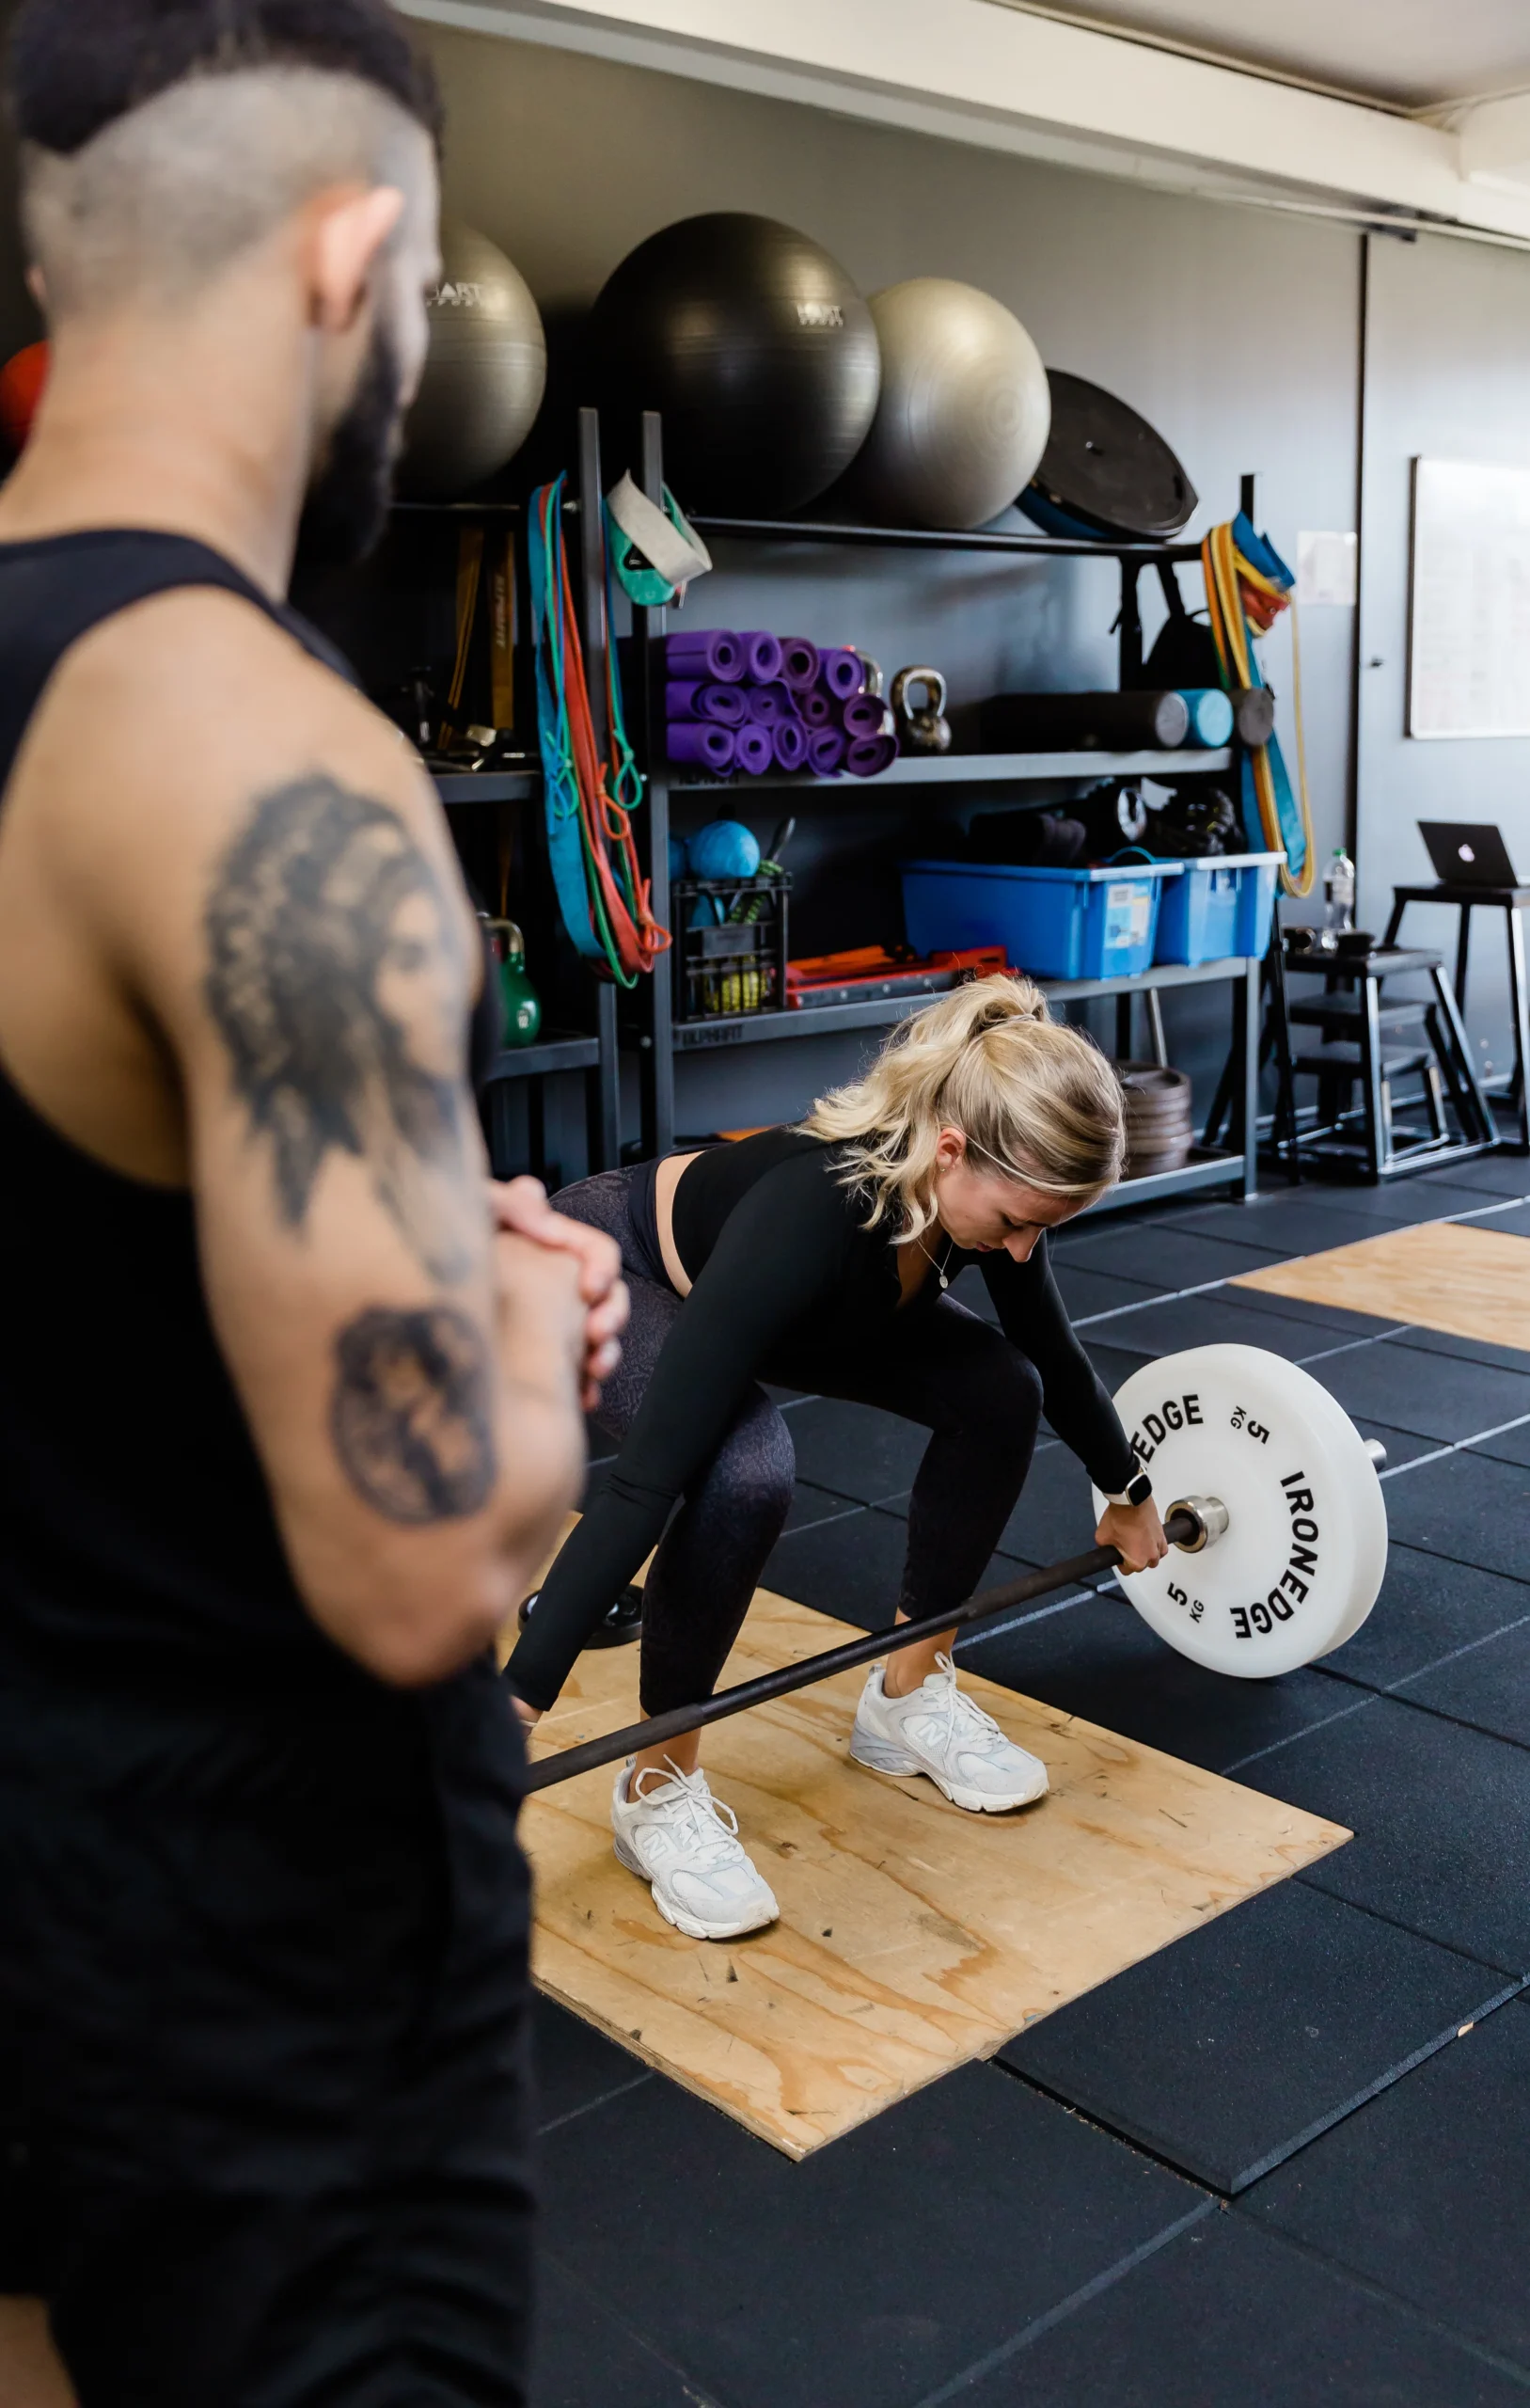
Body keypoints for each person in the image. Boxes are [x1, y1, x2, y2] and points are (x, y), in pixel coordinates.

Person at [0, 2, 626, 2402]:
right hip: (254, 1967)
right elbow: (429, 1550)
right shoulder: (267, 755)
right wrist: (524, 1334)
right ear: (354, 255)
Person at [509, 975, 1170, 1941]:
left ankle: (904, 1697)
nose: (1024, 1253)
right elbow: (646, 1480)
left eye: (1046, 1228)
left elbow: (1051, 1355)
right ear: (950, 1153)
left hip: (793, 1301)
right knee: (744, 1467)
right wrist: (519, 1696)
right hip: (610, 1266)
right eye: (1019, 1222)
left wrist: (1127, 1489)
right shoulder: (812, 1215)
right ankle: (658, 1785)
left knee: (998, 1392)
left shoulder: (978, 1199)